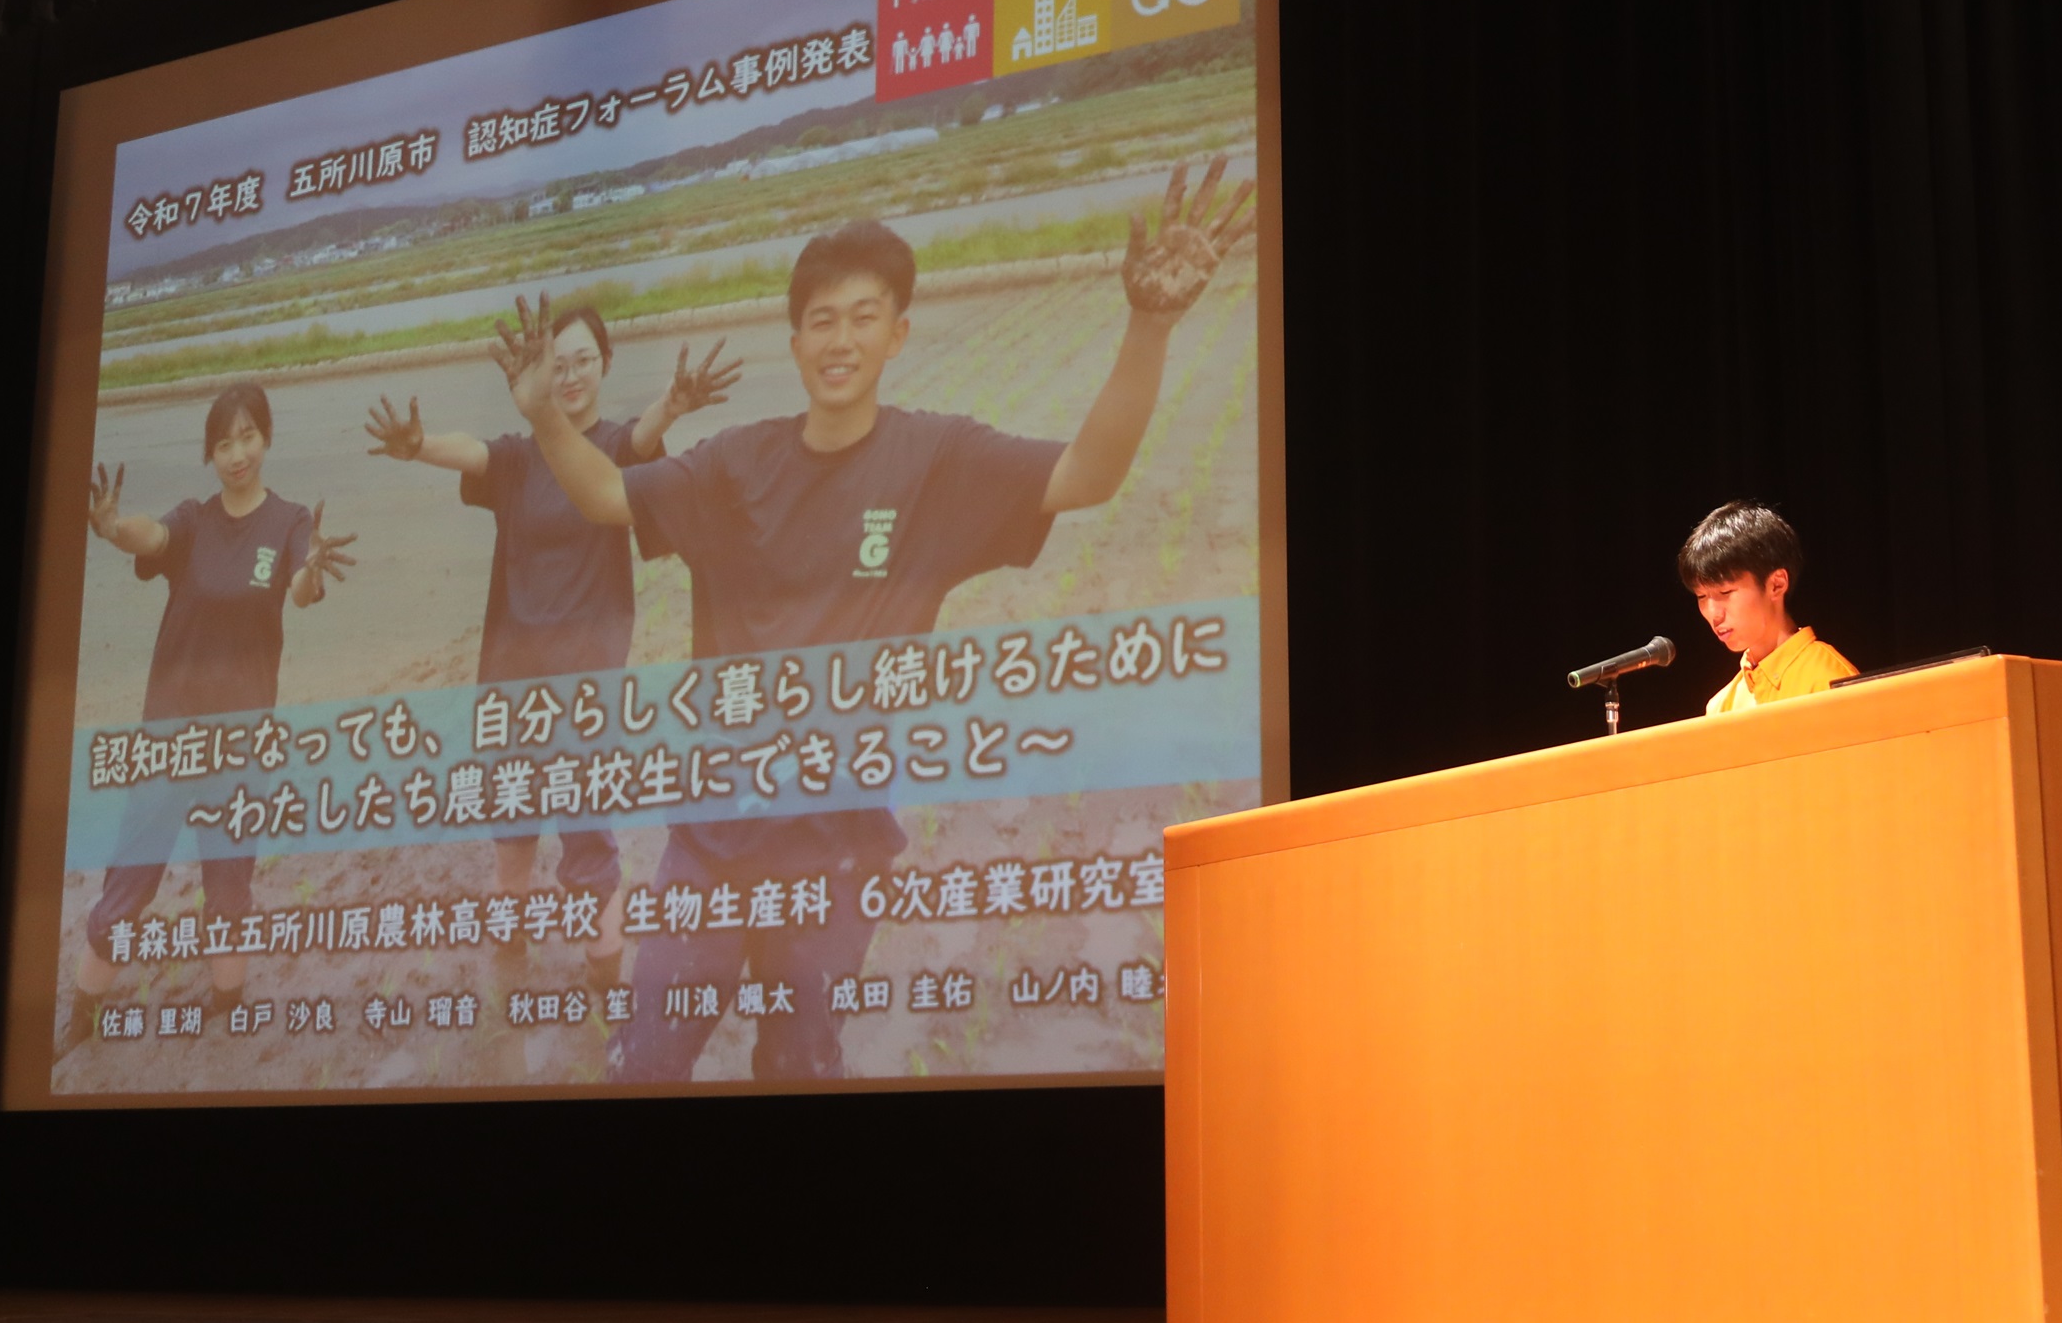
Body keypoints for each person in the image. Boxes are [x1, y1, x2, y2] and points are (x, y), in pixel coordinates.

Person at [500, 155, 1255, 1083]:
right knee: (646, 1062)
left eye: (864, 317)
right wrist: (546, 420)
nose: (841, 339)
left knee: (801, 1064)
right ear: (795, 342)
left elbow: (1086, 476)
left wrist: (1148, 326)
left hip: (839, 849)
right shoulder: (736, 464)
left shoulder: (936, 460)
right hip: (711, 839)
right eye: (821, 320)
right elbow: (609, 495)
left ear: (898, 333)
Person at [363, 303, 742, 978]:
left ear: (605, 364)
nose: (569, 377)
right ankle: (509, 947)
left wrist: (671, 406)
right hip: (512, 677)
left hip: (586, 680)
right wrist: (417, 445)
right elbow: (473, 451)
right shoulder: (519, 456)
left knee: (587, 830)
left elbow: (642, 440)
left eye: (582, 362)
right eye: (556, 365)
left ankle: (604, 973)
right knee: (512, 826)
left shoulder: (614, 448)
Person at [67, 381, 356, 1047]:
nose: (238, 453)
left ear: (266, 438)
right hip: (170, 731)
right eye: (224, 443)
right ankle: (80, 1016)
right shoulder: (193, 519)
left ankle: (228, 1008)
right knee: (132, 875)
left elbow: (301, 587)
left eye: (248, 436)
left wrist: (313, 568)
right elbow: (151, 535)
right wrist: (112, 528)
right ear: (210, 453)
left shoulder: (289, 522)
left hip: (241, 742)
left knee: (229, 881)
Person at [1678, 502, 1855, 713]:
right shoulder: (1721, 705)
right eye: (1702, 596)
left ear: (1776, 585)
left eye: (1725, 592)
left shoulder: (1829, 681)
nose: (1714, 614)